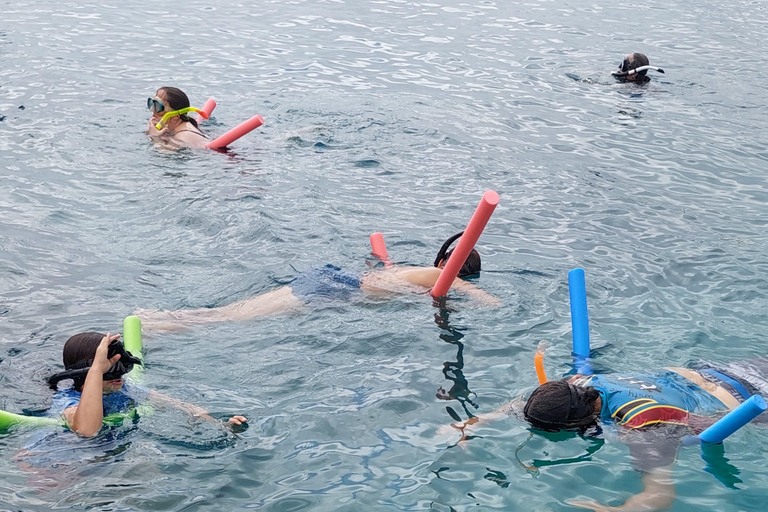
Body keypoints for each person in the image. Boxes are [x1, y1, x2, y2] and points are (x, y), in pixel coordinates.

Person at [446, 358, 768, 511]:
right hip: (719, 369)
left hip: (752, 397)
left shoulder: (642, 427)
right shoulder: (579, 385)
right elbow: (520, 404)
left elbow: (660, 495)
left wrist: (616, 510)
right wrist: (476, 421)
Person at [136, 233, 500, 332]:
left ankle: (157, 317)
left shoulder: (417, 270)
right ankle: (159, 327)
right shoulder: (439, 276)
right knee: (232, 319)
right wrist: (498, 307)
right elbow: (479, 297)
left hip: (333, 277)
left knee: (230, 312)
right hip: (337, 291)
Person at [47, 331, 247, 437]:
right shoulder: (66, 399)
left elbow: (184, 407)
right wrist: (97, 369)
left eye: (122, 366)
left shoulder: (122, 388)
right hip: (62, 463)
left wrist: (221, 427)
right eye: (109, 368)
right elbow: (87, 430)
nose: (120, 375)